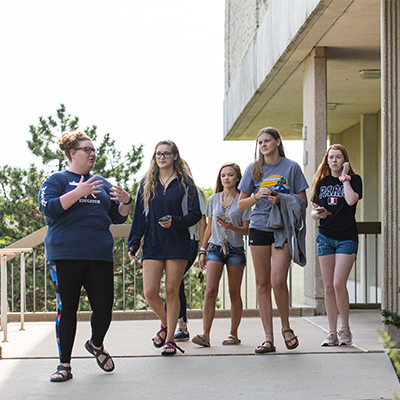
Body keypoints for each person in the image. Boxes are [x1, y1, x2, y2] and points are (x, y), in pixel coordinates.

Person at [38, 130, 132, 382]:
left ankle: (96, 344)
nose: (92, 154)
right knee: (67, 308)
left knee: (104, 308)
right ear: (72, 153)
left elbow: (117, 216)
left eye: (93, 150)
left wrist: (125, 201)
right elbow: (49, 209)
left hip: (99, 254)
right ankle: (64, 366)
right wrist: (78, 192)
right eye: (86, 149)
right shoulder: (57, 180)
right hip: (65, 254)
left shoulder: (101, 183)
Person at [238, 127, 308, 354]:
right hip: (259, 228)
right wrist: (256, 196)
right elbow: (240, 205)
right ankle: (268, 338)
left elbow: (303, 200)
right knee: (261, 283)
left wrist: (281, 198)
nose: (263, 145)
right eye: (259, 142)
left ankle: (286, 328)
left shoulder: (292, 167)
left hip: (282, 229)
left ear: (278, 141)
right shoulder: (253, 169)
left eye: (267, 141)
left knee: (278, 281)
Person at [127, 140, 201, 356]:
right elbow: (139, 217)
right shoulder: (147, 183)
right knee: (150, 293)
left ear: (175, 156)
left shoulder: (186, 183)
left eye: (166, 154)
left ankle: (170, 340)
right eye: (158, 154)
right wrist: (134, 241)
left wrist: (176, 221)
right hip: (153, 242)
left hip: (178, 243)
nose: (161, 157)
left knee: (171, 291)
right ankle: (166, 324)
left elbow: (195, 215)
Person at [192, 163, 250, 347]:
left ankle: (233, 334)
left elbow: (246, 229)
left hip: (235, 250)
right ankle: (205, 335)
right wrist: (203, 250)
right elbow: (209, 227)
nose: (226, 178)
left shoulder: (243, 200)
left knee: (234, 293)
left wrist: (232, 227)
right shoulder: (214, 199)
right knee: (210, 290)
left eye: (230, 175)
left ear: (237, 178)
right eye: (223, 175)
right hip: (215, 248)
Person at [310, 144, 362, 346]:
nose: (334, 161)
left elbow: (350, 201)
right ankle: (331, 332)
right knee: (329, 286)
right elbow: (313, 211)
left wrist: (345, 177)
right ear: (327, 160)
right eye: (331, 157)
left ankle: (345, 330)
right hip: (325, 237)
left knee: (339, 282)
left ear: (345, 160)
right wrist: (318, 214)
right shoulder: (321, 182)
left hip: (346, 238)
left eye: (338, 157)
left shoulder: (354, 180)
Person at [173, 185, 207, 342]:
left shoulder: (194, 191)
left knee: (173, 283)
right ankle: (179, 326)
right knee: (173, 283)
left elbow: (201, 220)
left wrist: (202, 248)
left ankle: (178, 326)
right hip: (172, 242)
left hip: (190, 241)